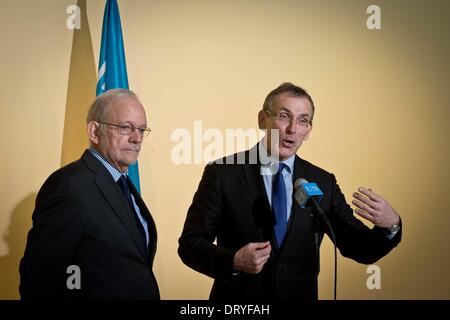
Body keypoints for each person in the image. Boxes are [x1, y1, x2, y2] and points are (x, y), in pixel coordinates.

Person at [178, 82, 402, 300]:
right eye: (283, 116)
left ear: (309, 130)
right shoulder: (223, 174)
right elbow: (190, 245)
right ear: (263, 119)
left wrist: (390, 226)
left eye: (302, 120)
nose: (292, 129)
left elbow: (360, 247)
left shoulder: (323, 182)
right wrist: (233, 260)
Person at [19, 89, 159, 300]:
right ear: (95, 132)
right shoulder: (68, 186)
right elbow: (39, 279)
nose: (137, 138)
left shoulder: (122, 182)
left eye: (141, 129)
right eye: (125, 127)